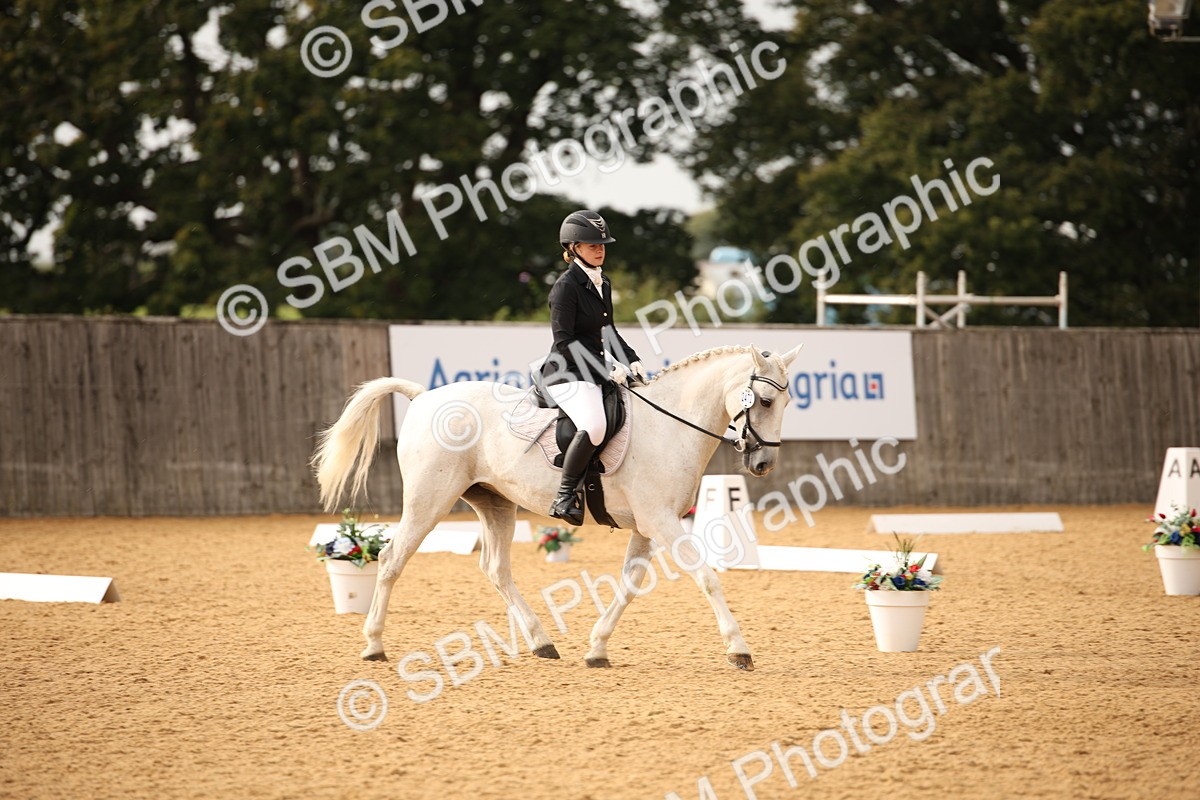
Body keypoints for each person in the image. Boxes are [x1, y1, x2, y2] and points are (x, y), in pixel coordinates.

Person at [539, 209, 646, 525]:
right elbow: (564, 342)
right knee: (595, 426)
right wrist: (603, 371)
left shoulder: (604, 282)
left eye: (602, 245)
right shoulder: (565, 287)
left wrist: (631, 359)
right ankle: (565, 495)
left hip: (594, 369)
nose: (600, 250)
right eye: (591, 245)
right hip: (565, 372)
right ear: (573, 248)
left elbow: (607, 332)